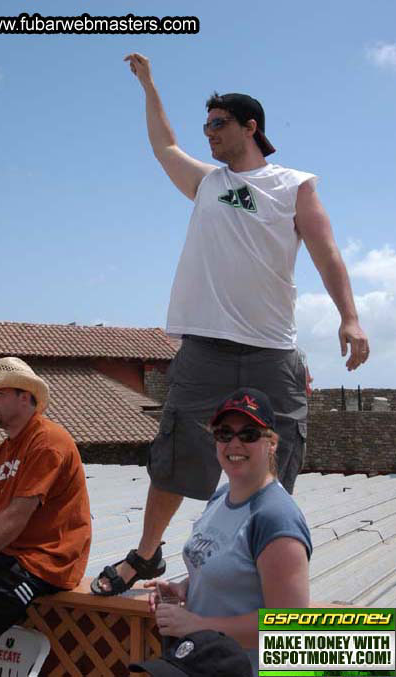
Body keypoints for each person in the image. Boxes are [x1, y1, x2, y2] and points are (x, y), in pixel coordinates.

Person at [92, 52, 369, 596]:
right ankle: (145, 556)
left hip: (271, 352)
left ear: (251, 127)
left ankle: (259, 563)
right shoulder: (207, 183)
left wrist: (351, 317)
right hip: (205, 350)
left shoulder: (294, 185)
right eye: (205, 126)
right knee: (176, 455)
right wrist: (149, 84)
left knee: (275, 459)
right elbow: (164, 146)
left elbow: (327, 252)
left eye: (218, 125)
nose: (209, 135)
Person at [144, 388, 312, 677]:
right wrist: (187, 586)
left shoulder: (275, 518)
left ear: (271, 442)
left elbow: (289, 627)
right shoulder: (221, 497)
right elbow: (225, 564)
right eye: (224, 434)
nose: (234, 443)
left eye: (248, 434)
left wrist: (196, 624)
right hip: (203, 663)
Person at [0, 357, 92, 677]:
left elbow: (15, 518)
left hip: (47, 561)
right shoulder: (1, 453)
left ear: (25, 397)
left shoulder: (48, 440)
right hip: (10, 555)